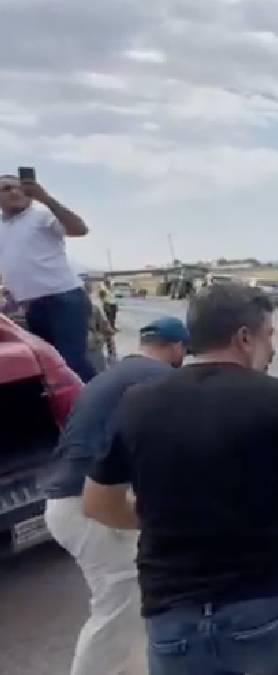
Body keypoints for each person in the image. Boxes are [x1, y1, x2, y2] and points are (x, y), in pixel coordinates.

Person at [81, 284, 278, 675]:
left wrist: (169, 516)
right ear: (244, 338)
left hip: (173, 615)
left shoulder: (136, 402)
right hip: (275, 599)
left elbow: (97, 504)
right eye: (269, 336)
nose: (273, 348)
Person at [41, 317, 189, 675]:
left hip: (70, 500)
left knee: (136, 596)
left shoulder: (111, 375)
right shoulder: (159, 379)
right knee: (118, 605)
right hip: (87, 505)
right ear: (176, 348)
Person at [0, 174, 95, 381]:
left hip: (63, 299)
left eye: (20, 187)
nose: (15, 192)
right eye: (6, 189)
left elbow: (80, 229)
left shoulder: (42, 217)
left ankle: (94, 408)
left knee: (72, 364)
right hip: (32, 305)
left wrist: (46, 199)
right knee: (48, 366)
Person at [86, 299, 117, 375]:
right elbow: (107, 331)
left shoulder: (93, 308)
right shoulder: (93, 308)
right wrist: (112, 355)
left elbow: (107, 331)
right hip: (92, 348)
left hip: (90, 349)